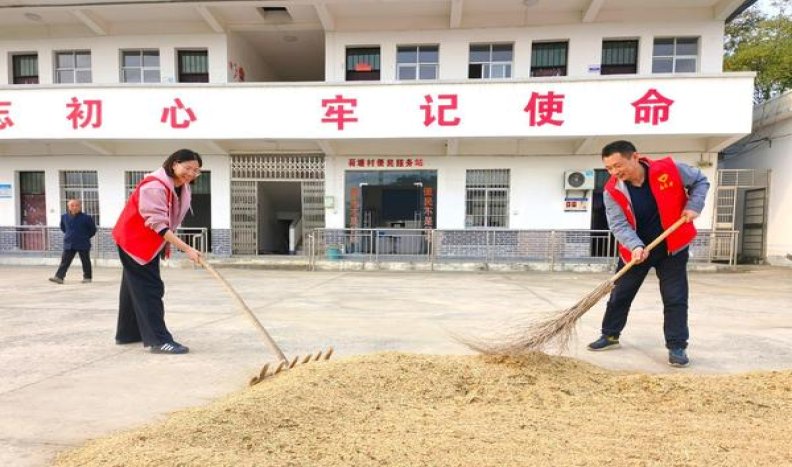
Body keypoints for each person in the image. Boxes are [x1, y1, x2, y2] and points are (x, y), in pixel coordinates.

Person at [587, 140, 710, 368]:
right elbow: (618, 225)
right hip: (636, 251)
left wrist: (695, 205)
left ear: (635, 156)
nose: (614, 172)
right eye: (609, 168)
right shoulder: (612, 190)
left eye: (618, 165)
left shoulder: (668, 170)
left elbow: (701, 180)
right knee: (620, 294)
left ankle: (677, 345)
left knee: (675, 297)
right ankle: (610, 334)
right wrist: (635, 246)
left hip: (672, 248)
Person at [112, 149, 203, 354]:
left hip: (149, 242)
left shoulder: (182, 187)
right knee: (150, 289)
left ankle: (127, 333)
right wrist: (187, 248)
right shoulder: (154, 186)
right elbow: (159, 225)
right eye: (187, 167)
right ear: (174, 164)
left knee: (133, 287)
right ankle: (158, 340)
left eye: (196, 170)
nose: (191, 173)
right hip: (135, 241)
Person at [49, 199, 97, 284]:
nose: (74, 207)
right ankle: (59, 277)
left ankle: (87, 277)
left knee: (85, 261)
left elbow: (93, 230)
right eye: (72, 205)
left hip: (83, 242)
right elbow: (63, 228)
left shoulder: (86, 218)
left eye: (76, 205)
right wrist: (70, 235)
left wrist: (85, 237)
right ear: (69, 207)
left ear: (80, 206)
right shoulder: (64, 217)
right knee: (65, 261)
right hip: (69, 242)